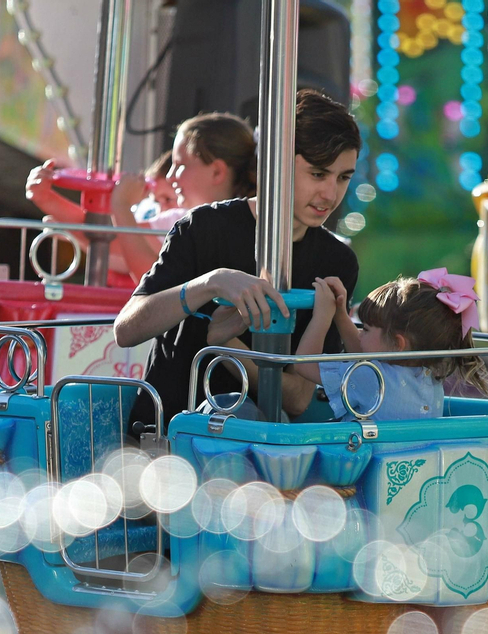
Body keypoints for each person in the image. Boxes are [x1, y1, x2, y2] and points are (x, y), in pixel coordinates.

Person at [114, 89, 361, 435]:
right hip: (164, 438)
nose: (331, 194)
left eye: (343, 177)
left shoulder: (338, 261)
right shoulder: (202, 227)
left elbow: (299, 397)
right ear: (274, 164)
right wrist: (208, 284)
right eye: (318, 175)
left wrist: (228, 346)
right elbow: (126, 330)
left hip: (261, 455)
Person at [26, 113, 257, 283]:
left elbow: (152, 281)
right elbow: (110, 241)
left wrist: (121, 206)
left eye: (180, 165)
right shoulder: (179, 221)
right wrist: (47, 199)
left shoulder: (252, 224)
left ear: (217, 171)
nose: (170, 176)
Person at [292, 269, 488, 421]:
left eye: (366, 329)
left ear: (397, 343)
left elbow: (304, 364)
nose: (360, 334)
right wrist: (341, 315)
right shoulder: (428, 377)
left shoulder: (372, 378)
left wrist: (322, 316)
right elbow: (363, 356)